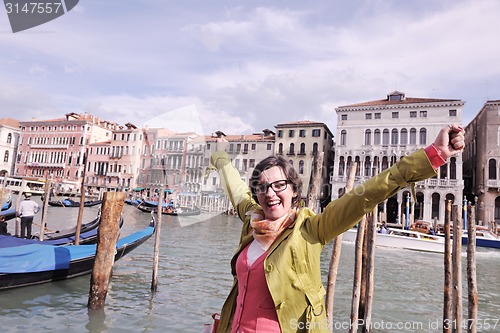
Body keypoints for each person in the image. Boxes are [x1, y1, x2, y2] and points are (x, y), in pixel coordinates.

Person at [209, 124, 465, 333]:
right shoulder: (251, 220)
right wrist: (220, 155)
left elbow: (368, 194)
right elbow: (235, 186)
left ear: (295, 190)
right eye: (262, 187)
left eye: (279, 185)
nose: (270, 193)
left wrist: (434, 154)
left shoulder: (312, 229)